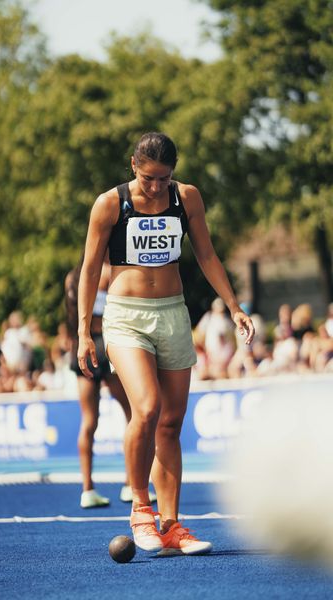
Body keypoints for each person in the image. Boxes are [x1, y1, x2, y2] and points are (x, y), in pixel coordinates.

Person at [77, 132, 255, 555]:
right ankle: (141, 508)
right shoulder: (109, 203)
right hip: (125, 317)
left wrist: (234, 307)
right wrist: (85, 331)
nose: (156, 188)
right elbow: (88, 270)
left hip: (173, 313)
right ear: (133, 166)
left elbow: (207, 255)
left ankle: (172, 526)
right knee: (148, 408)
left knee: (172, 423)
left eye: (164, 178)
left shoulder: (187, 198)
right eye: (148, 178)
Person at [66, 254, 144, 508]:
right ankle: (130, 485)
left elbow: (72, 317)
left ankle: (87, 489)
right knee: (132, 414)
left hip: (80, 345)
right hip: (106, 343)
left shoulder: (73, 277)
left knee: (88, 421)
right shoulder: (110, 271)